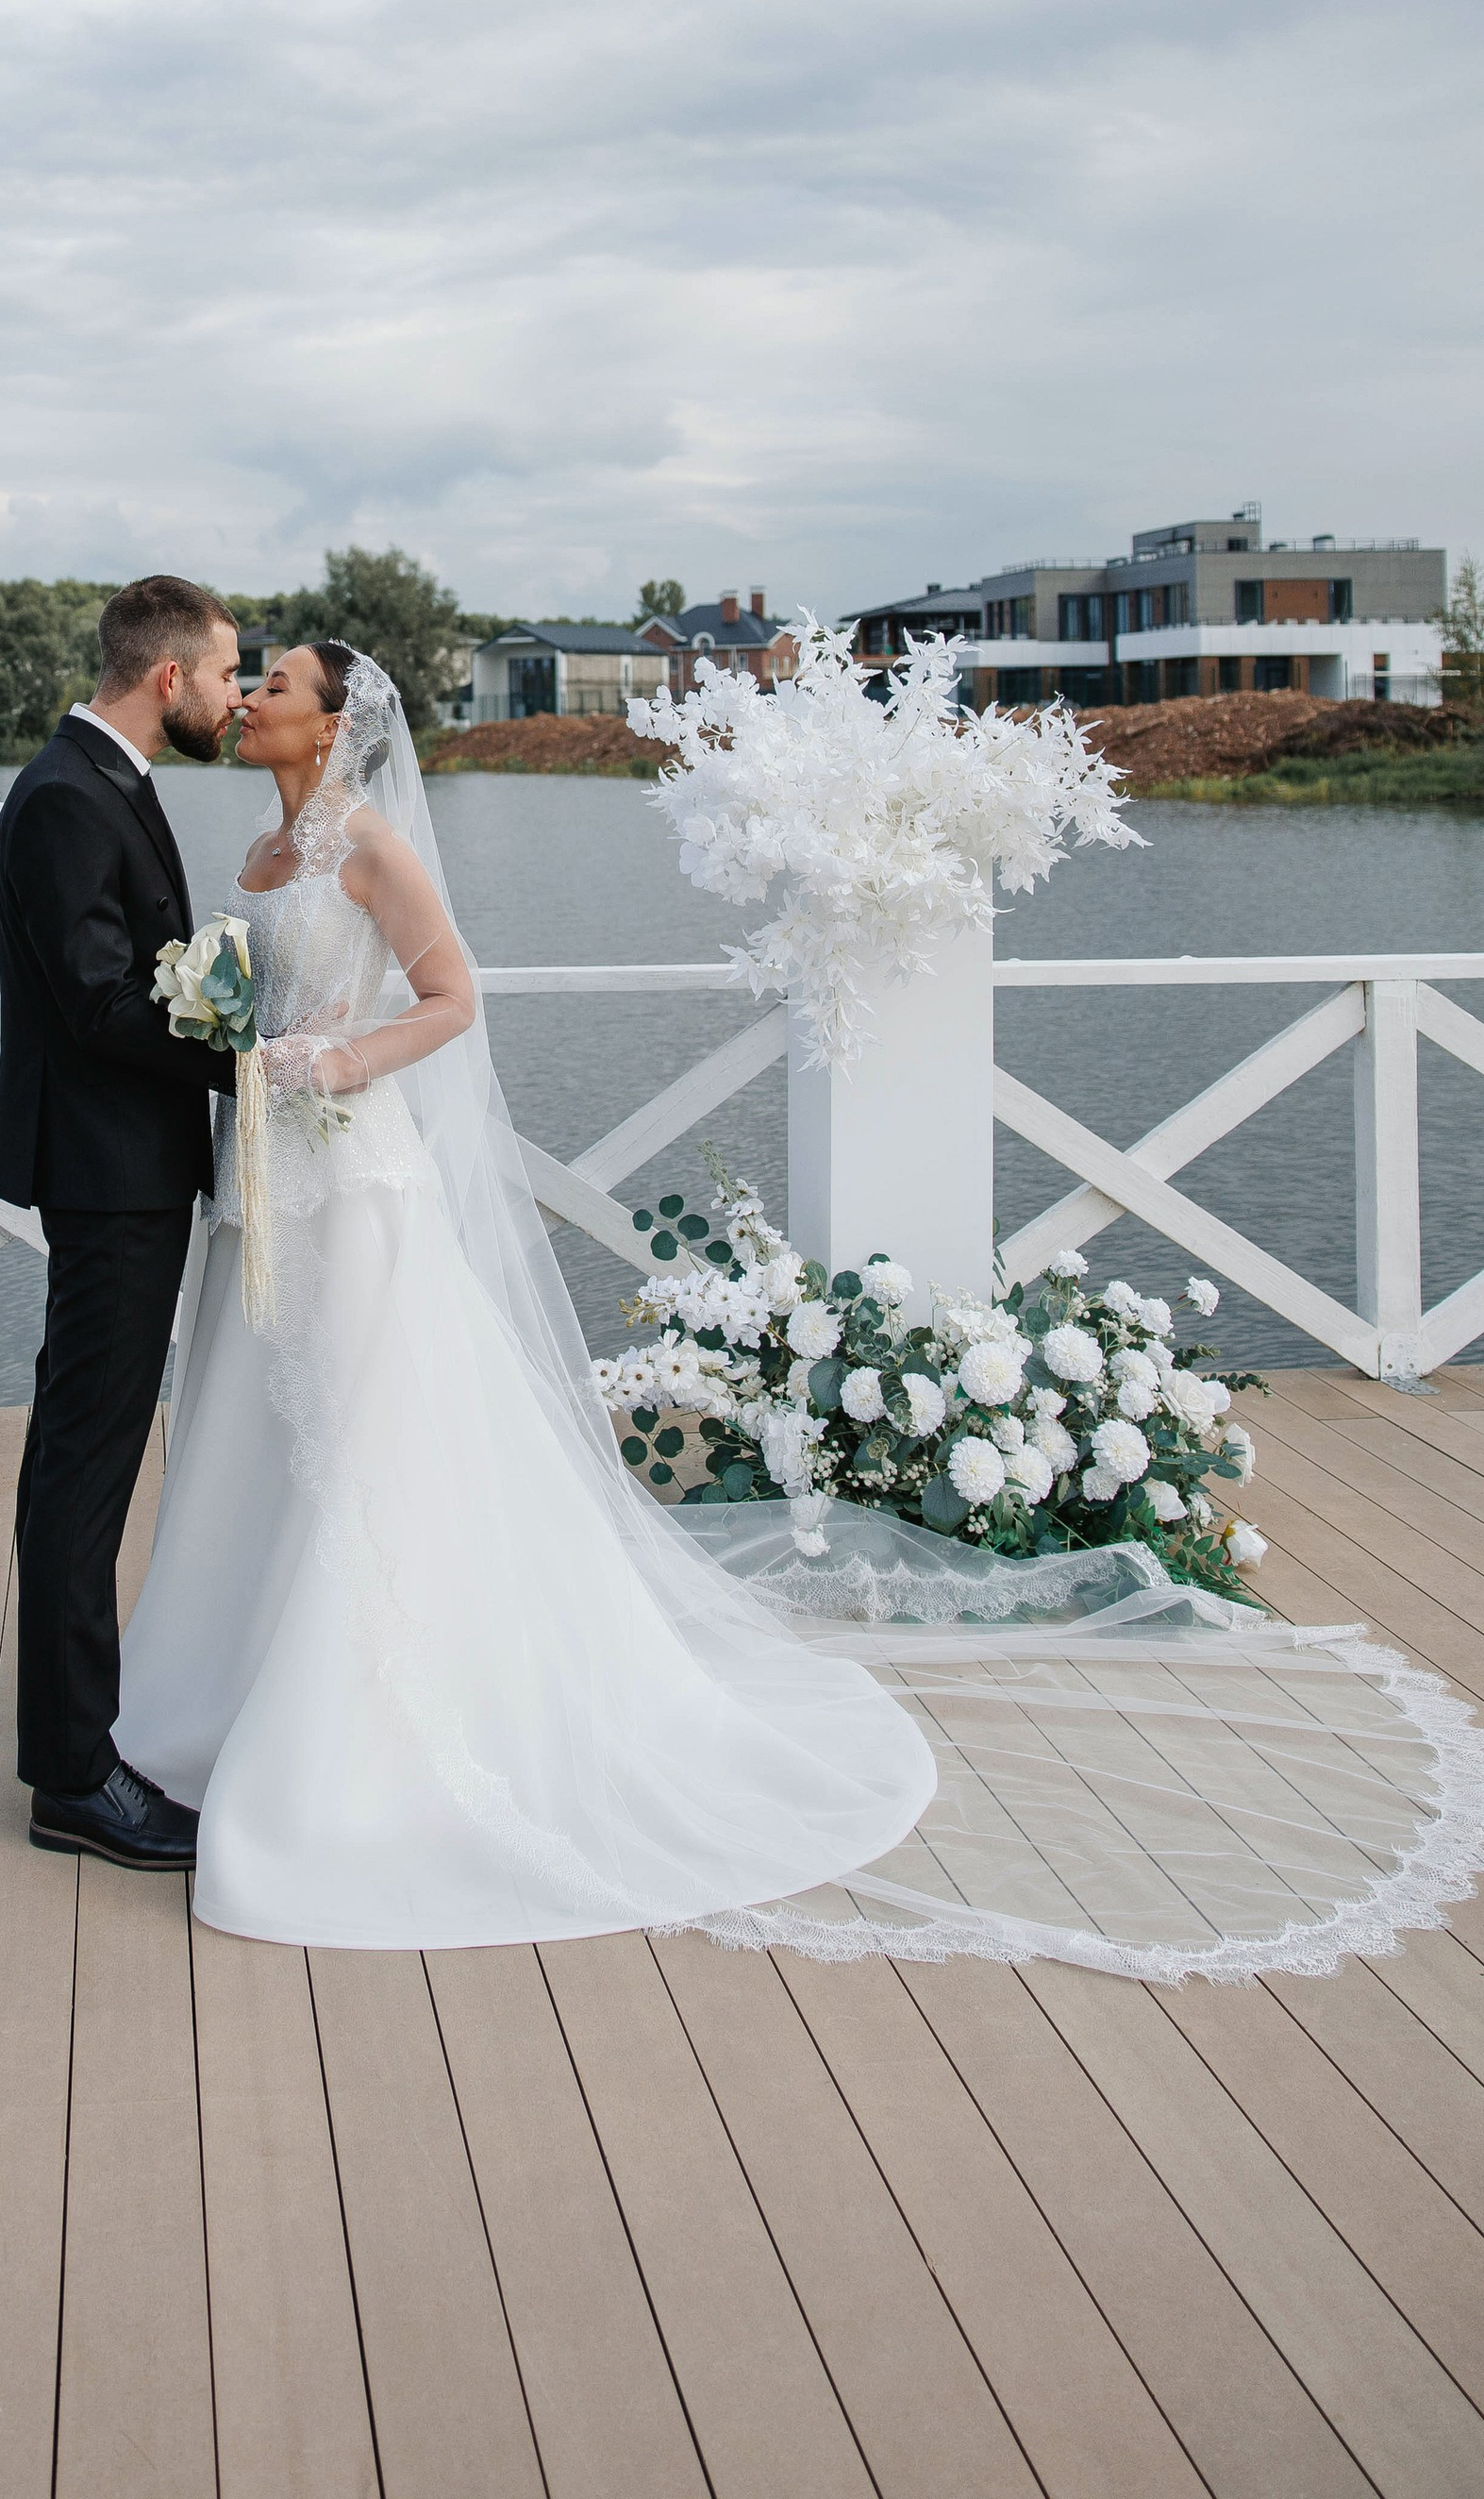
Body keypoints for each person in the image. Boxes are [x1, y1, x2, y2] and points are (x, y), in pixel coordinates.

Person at [113, 643, 1484, 1971]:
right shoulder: (257, 858)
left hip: (358, 1188)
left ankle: (359, 1731)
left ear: (337, 723)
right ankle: (228, 1693)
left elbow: (453, 999)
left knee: (367, 1445)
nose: (251, 702)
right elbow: (252, 1000)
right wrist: (227, 1034)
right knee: (259, 1435)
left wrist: (334, 1059)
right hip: (262, 1192)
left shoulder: (369, 846)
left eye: (277, 685)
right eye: (256, 683)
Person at [0, 573, 243, 1870]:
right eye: (222, 676)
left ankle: (78, 1736)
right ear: (167, 679)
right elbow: (98, 1005)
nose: (230, 698)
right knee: (84, 1465)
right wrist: (249, 1055)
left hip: (127, 1171)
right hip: (108, 1178)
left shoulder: (105, 784)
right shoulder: (65, 800)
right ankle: (76, 1777)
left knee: (86, 1457)